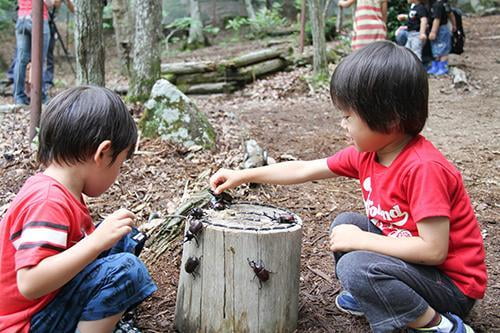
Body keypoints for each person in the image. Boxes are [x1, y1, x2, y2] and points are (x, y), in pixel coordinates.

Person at [209, 41, 487, 333]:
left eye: (347, 117)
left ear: (389, 119)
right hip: (416, 270)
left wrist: (361, 241)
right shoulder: (368, 154)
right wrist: (243, 174)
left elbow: (433, 251)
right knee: (346, 223)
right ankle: (378, 296)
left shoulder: (423, 168)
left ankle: (441, 326)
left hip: (451, 287)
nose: (342, 125)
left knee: (354, 264)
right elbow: (304, 168)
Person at [0, 86, 157, 333]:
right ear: (103, 153)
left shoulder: (58, 190)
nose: (119, 173)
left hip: (44, 306)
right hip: (27, 323)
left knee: (122, 238)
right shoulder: (48, 201)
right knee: (126, 270)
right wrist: (95, 242)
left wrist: (101, 240)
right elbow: (30, 282)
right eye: (120, 163)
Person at [13, 0, 53, 105]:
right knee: (39, 59)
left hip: (22, 18)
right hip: (38, 18)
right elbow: (50, 3)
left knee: (21, 60)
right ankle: (40, 95)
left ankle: (19, 96)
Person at [45, 0, 75, 87]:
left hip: (50, 24)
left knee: (49, 53)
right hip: (37, 21)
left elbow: (72, 8)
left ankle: (48, 80)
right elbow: (54, 3)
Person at [427, 0, 453, 75]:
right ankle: (435, 66)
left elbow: (437, 19)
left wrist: (433, 31)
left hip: (441, 29)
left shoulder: (438, 5)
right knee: (435, 48)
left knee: (443, 49)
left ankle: (443, 67)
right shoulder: (439, 4)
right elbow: (451, 14)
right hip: (437, 28)